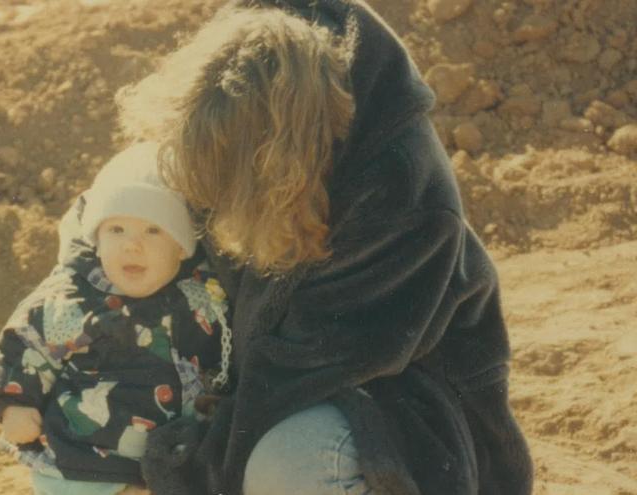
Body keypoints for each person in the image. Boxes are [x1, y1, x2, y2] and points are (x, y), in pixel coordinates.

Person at [117, 1, 533, 494]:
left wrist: (186, 467)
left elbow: (291, 377)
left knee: (293, 463)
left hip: (405, 417)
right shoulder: (234, 94)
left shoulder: (399, 194)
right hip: (280, 383)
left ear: (276, 161)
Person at [0, 142, 232, 495]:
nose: (132, 245)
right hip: (84, 459)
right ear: (96, 239)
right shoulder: (71, 297)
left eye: (153, 230)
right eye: (116, 230)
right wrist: (14, 405)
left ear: (182, 245)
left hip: (175, 457)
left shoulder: (204, 293)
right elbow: (24, 345)